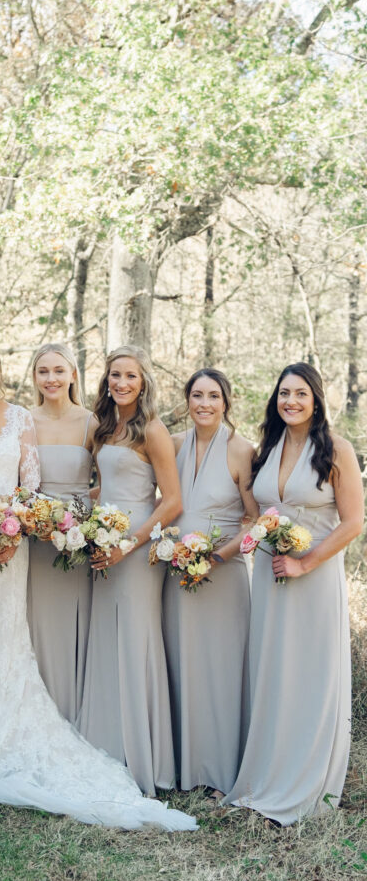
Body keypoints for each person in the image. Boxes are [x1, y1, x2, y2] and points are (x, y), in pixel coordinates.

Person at [0, 339, 196, 831]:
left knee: (9, 626)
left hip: (16, 534)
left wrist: (10, 524)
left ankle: (20, 722)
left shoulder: (40, 420)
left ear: (0, 371)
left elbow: (32, 481)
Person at [223, 363, 363, 824]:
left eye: (301, 394)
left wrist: (306, 562)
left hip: (313, 576)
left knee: (309, 674)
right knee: (273, 673)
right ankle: (268, 775)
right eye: (284, 393)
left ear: (316, 399)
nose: (291, 402)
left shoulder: (336, 450)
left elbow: (353, 524)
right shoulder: (269, 448)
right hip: (268, 573)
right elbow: (259, 511)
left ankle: (305, 783)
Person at [79, 346, 181, 796]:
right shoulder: (105, 427)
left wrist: (129, 543)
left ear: (143, 383)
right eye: (114, 375)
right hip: (105, 542)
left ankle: (141, 757)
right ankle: (104, 748)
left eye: (130, 376)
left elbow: (173, 500)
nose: (121, 383)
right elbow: (111, 484)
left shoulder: (152, 430)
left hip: (138, 549)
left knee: (135, 640)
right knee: (107, 638)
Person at [163, 369, 256, 793]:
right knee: (182, 664)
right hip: (176, 573)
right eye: (197, 395)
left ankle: (221, 772)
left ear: (226, 402)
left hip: (224, 575)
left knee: (220, 669)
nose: (204, 403)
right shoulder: (174, 445)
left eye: (213, 396)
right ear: (187, 400)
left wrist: (217, 556)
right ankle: (185, 766)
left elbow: (254, 519)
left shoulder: (242, 451)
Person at [27, 343, 96, 724]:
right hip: (33, 539)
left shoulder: (93, 422)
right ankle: (40, 715)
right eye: (43, 371)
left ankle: (77, 713)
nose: (51, 379)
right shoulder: (22, 419)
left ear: (73, 374)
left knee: (76, 622)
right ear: (34, 377)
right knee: (36, 622)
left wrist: (83, 515)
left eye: (58, 370)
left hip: (78, 541)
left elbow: (114, 481)